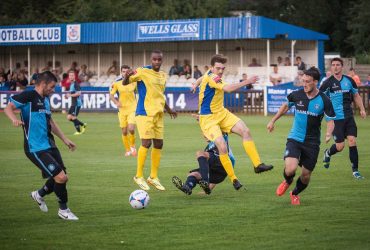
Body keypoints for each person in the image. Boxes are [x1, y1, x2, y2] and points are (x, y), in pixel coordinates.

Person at [4, 71, 79, 220]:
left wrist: (65, 139)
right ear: (43, 84)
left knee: (62, 176)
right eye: (51, 87)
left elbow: (51, 122)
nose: (53, 90)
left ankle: (39, 194)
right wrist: (14, 119)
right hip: (35, 147)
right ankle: (63, 210)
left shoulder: (45, 100)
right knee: (61, 177)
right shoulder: (28, 96)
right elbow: (8, 107)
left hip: (49, 144)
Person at [198, 54, 273, 190]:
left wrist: (195, 83)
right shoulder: (213, 77)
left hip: (221, 113)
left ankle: (257, 165)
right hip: (208, 118)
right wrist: (247, 81)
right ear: (212, 67)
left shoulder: (209, 73)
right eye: (218, 68)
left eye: (222, 68)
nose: (220, 71)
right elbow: (228, 89)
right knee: (222, 146)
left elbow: (203, 76)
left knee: (246, 131)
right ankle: (234, 179)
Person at [267, 67, 335, 205]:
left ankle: (295, 193)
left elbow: (330, 120)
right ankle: (287, 180)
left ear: (315, 81)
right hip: (295, 138)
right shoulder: (296, 94)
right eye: (303, 81)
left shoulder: (324, 99)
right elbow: (285, 106)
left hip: (312, 143)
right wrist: (272, 121)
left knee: (305, 175)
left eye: (307, 82)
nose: (304, 84)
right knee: (290, 169)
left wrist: (329, 133)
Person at [123, 50, 177, 191]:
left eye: (159, 60)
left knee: (159, 144)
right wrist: (126, 76)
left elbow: (160, 95)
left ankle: (153, 177)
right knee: (146, 143)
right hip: (144, 113)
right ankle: (138, 176)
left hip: (158, 114)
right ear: (151, 59)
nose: (157, 62)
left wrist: (169, 109)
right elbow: (125, 83)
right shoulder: (141, 71)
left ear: (162, 60)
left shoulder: (163, 75)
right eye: (154, 59)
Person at [320, 58, 367, 179]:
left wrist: (362, 109)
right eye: (333, 65)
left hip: (349, 117)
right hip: (336, 119)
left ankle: (355, 171)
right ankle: (328, 152)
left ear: (342, 67)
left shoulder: (349, 80)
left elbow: (356, 95)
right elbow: (321, 99)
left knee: (352, 141)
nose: (335, 67)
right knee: (340, 146)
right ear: (331, 68)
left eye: (338, 65)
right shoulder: (327, 83)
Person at [109, 65, 137, 157]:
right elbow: (111, 95)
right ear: (121, 72)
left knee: (131, 129)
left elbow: (139, 90)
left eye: (126, 71)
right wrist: (116, 102)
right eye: (123, 71)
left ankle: (133, 146)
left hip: (132, 108)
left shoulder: (134, 81)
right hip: (122, 110)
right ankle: (128, 149)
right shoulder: (117, 83)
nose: (125, 73)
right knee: (124, 131)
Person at [65, 70, 86, 135]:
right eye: (70, 75)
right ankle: (82, 124)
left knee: (73, 117)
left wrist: (70, 95)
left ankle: (78, 131)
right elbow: (72, 93)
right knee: (68, 117)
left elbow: (79, 93)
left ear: (74, 76)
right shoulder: (71, 84)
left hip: (77, 103)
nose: (71, 77)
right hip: (73, 103)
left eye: (72, 75)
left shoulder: (76, 84)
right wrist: (67, 95)